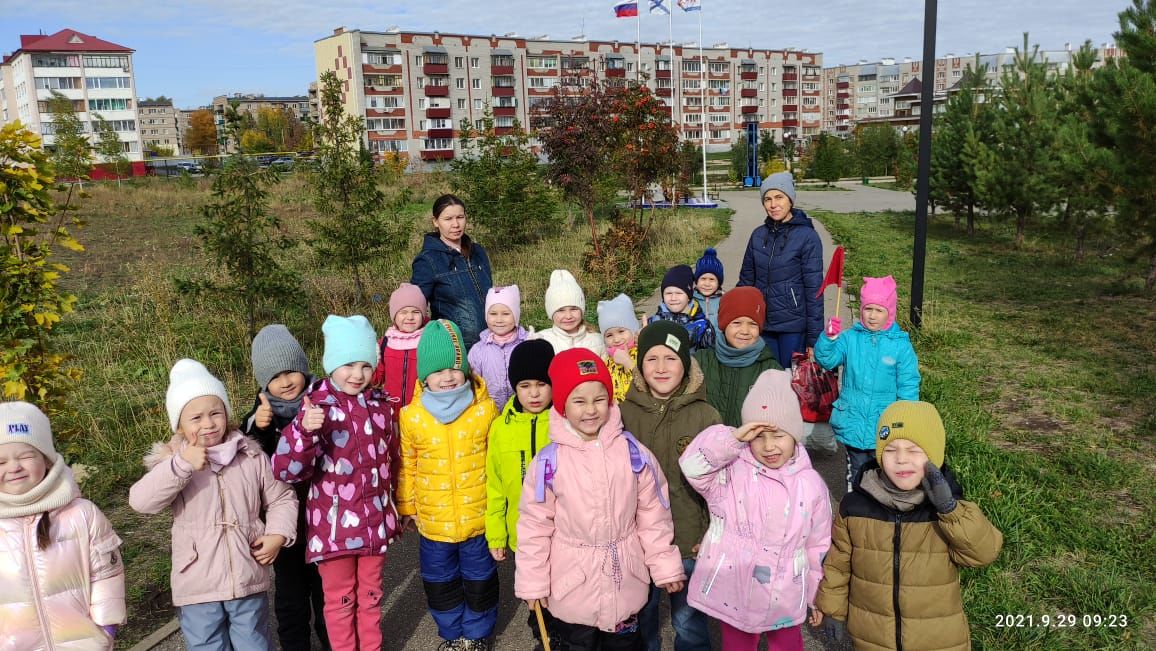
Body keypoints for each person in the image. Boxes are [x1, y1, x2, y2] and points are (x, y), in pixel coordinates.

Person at [516, 348, 687, 651]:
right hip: (572, 589)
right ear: (562, 406)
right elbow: (534, 527)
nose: (591, 410)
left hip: (625, 586)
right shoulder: (549, 463)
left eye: (599, 400)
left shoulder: (633, 454)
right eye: (579, 401)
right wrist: (533, 582)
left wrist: (664, 564)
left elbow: (653, 515)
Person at [131, 359, 297, 651]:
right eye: (196, 418)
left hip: (246, 574)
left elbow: (281, 496)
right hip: (196, 581)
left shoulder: (250, 455)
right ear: (180, 425)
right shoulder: (173, 461)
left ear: (227, 414)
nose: (208, 424)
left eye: (215, 413)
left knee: (254, 643)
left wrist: (277, 534)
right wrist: (181, 465)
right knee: (208, 645)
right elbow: (141, 502)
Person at [814, 401, 1003, 650]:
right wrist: (832, 609)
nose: (901, 459)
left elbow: (983, 553)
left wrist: (951, 511)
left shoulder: (946, 509)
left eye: (914, 450)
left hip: (938, 640)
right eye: (891, 450)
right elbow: (838, 564)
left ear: (933, 455)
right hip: (873, 638)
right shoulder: (855, 506)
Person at [272, 315, 400, 651]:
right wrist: (304, 431)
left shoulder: (381, 407)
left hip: (375, 525)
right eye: (347, 365)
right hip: (334, 530)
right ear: (331, 364)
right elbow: (287, 470)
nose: (357, 375)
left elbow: (393, 462)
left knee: (371, 598)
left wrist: (396, 509)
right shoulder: (316, 408)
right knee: (340, 602)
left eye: (365, 366)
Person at [679, 371, 832, 651]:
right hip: (736, 592)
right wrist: (732, 438)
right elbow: (692, 466)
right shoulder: (730, 470)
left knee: (787, 645)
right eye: (758, 436)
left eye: (778, 435)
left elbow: (818, 544)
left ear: (795, 435)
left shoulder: (810, 484)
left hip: (785, 592)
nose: (769, 446)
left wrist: (815, 594)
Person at [399, 319, 500, 651]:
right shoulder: (412, 416)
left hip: (478, 519)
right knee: (440, 584)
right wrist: (407, 507)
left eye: (454, 369)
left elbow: (497, 463)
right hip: (433, 523)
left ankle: (476, 634)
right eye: (438, 370)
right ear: (424, 376)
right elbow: (407, 465)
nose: (447, 377)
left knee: (480, 581)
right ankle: (452, 633)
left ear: (465, 369)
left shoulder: (484, 410)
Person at [619, 322, 721, 651]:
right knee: (640, 616)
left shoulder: (705, 416)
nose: (661, 367)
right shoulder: (622, 416)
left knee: (689, 623)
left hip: (689, 537)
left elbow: (721, 485)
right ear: (639, 366)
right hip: (638, 541)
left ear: (686, 364)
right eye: (652, 359)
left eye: (671, 358)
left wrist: (712, 531)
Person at [0, 401, 126, 650]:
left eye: (26, 456)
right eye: (1, 461)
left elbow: (106, 574)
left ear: (46, 460)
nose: (14, 467)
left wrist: (105, 629)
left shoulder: (82, 513)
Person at [239, 324, 329, 651]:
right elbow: (249, 459)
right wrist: (259, 429)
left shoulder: (323, 400)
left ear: (304, 369)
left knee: (326, 595)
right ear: (265, 383)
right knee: (290, 598)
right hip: (285, 525)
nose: (286, 381)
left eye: (291, 371)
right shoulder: (260, 415)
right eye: (275, 377)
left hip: (324, 517)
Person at [484, 339, 561, 649]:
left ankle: (565, 637)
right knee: (537, 595)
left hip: (563, 531)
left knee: (567, 593)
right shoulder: (501, 428)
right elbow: (495, 486)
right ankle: (544, 637)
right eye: (525, 385)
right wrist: (496, 535)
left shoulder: (563, 422)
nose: (533, 393)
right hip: (522, 536)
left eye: (542, 384)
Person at [815, 275, 921, 491]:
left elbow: (908, 385)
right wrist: (828, 338)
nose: (872, 316)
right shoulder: (850, 338)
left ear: (889, 312)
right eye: (867, 309)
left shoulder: (899, 345)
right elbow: (827, 360)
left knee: (885, 472)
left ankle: (881, 513)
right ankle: (855, 512)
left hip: (884, 423)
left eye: (879, 310)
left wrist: (905, 420)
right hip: (853, 418)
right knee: (856, 471)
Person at [737, 172, 824, 367]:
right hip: (761, 323)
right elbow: (745, 282)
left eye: (779, 197)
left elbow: (814, 290)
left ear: (790, 199)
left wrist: (814, 338)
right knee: (764, 380)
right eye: (767, 199)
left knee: (789, 381)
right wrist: (737, 318)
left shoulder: (807, 237)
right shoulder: (758, 236)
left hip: (792, 326)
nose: (773, 204)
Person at [412, 194, 494, 348]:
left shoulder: (477, 252)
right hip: (456, 347)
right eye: (448, 219)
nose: (456, 224)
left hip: (491, 341)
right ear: (436, 222)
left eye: (460, 217)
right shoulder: (427, 260)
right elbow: (415, 307)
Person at [694, 287, 781, 426]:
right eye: (736, 323)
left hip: (749, 445)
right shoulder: (701, 361)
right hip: (705, 445)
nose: (745, 331)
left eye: (752, 324)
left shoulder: (771, 371)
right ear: (723, 324)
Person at [469, 285, 530, 410]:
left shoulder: (527, 344)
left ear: (516, 315)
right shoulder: (478, 350)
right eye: (493, 314)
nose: (499, 319)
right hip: (490, 411)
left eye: (506, 313)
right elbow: (473, 384)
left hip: (522, 409)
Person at [371, 282, 429, 414]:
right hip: (391, 410)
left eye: (416, 312)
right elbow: (376, 378)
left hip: (421, 411)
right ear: (394, 316)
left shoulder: (428, 340)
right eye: (403, 312)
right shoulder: (385, 343)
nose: (410, 317)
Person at [534, 269, 607, 357]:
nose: (568, 316)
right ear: (551, 313)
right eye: (561, 310)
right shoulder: (541, 340)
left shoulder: (598, 340)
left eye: (574, 309)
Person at [648, 265, 715, 353]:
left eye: (679, 293)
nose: (673, 298)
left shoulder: (703, 326)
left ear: (689, 296)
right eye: (668, 293)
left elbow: (709, 358)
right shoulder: (652, 323)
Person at [598, 293, 641, 403]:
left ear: (633, 330)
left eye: (621, 331)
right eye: (609, 335)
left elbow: (644, 386)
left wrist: (627, 362)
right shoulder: (607, 362)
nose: (616, 339)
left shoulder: (642, 354)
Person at [693, 248, 725, 332]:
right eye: (703, 279)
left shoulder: (724, 300)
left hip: (718, 342)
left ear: (719, 283)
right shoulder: (690, 300)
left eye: (712, 279)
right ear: (696, 281)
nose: (707, 284)